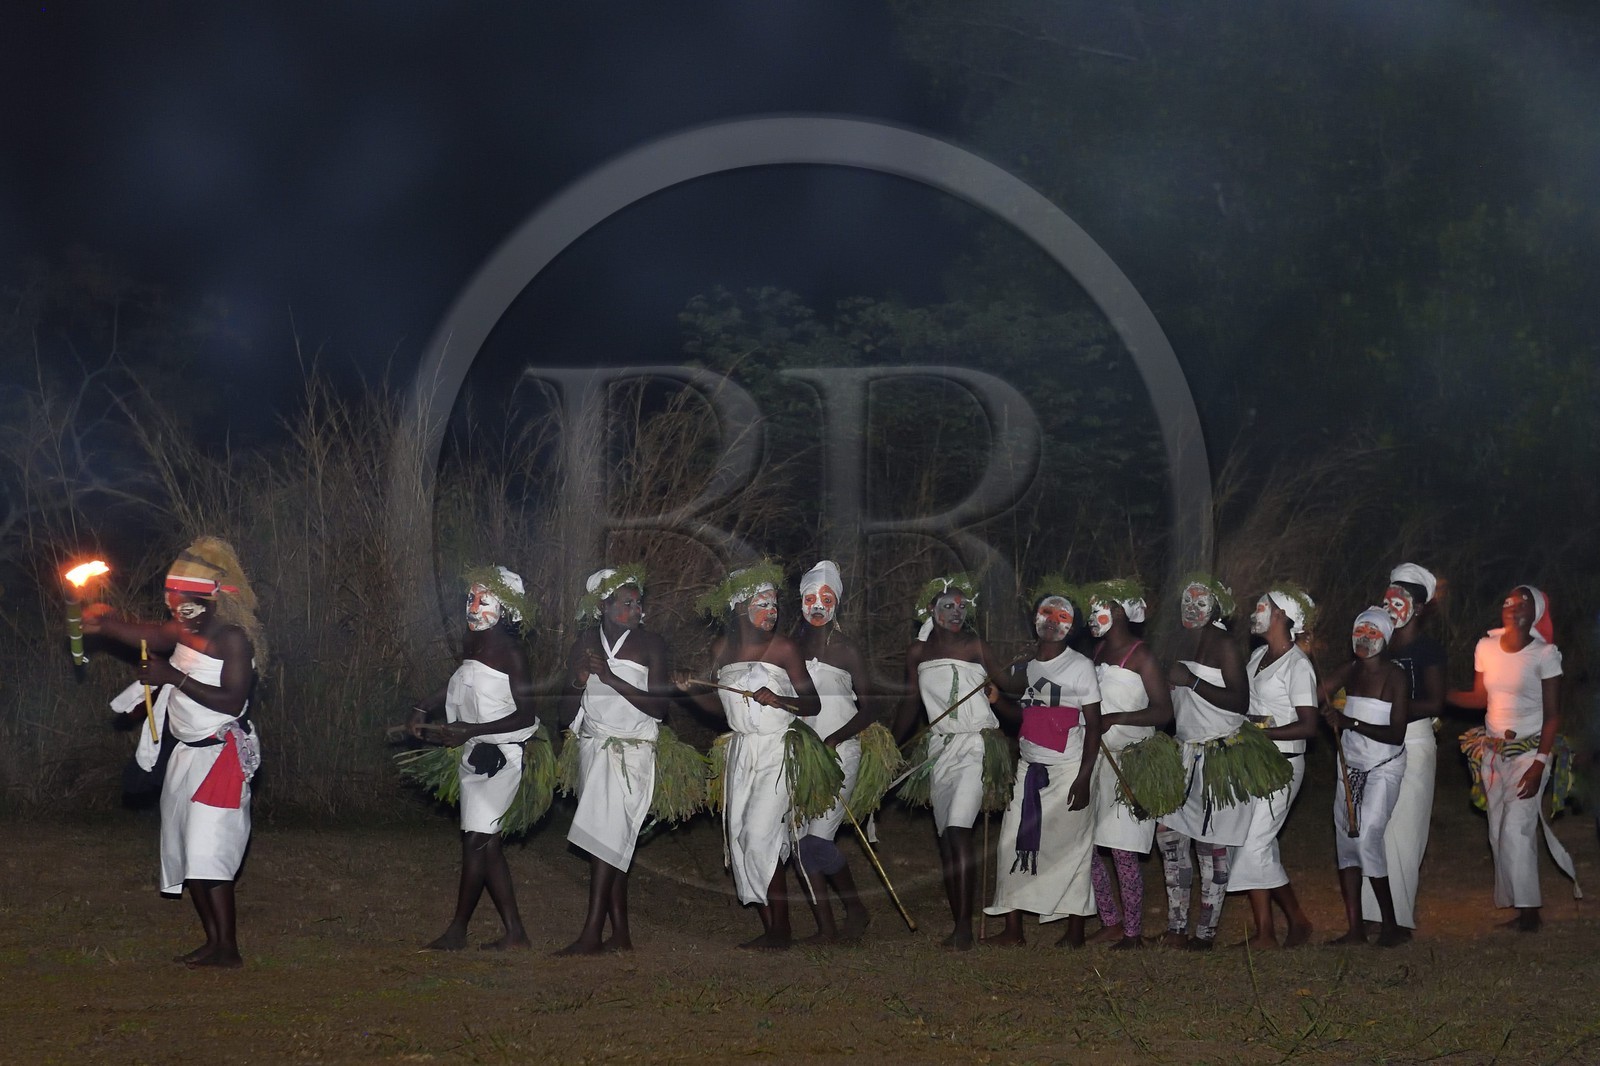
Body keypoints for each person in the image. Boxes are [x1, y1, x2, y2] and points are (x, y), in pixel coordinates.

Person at [83, 537, 267, 968]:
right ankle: (215, 943)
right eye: (171, 597)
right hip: (186, 757)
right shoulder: (186, 630)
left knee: (210, 855)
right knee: (187, 851)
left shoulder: (232, 639)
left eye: (183, 598)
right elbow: (146, 632)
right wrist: (106, 623)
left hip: (220, 758)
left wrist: (171, 675)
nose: (174, 606)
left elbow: (232, 700)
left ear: (210, 599)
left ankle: (229, 948)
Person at [682, 564, 821, 950]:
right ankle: (772, 926)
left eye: (774, 604)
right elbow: (718, 708)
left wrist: (779, 699)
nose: (771, 611)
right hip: (741, 751)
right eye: (762, 604)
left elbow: (813, 702)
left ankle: (782, 929)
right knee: (741, 837)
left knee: (760, 834)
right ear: (739, 608)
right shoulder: (721, 650)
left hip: (777, 748)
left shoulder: (784, 649)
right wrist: (690, 691)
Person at [407, 567, 540, 951]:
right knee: (487, 845)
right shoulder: (473, 645)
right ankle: (515, 932)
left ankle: (458, 929)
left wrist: (472, 730)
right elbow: (458, 682)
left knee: (476, 844)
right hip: (472, 754)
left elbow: (526, 715)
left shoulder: (512, 654)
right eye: (470, 597)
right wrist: (422, 707)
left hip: (503, 758)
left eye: (484, 600)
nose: (474, 606)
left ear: (508, 608)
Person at [893, 574, 1024, 950]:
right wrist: (890, 744)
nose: (955, 613)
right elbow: (909, 704)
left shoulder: (975, 645)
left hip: (974, 747)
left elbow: (1011, 685)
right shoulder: (917, 653)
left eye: (961, 607)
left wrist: (1002, 686)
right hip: (938, 750)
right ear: (930, 611)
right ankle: (958, 921)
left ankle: (964, 928)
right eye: (947, 606)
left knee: (958, 830)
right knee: (947, 840)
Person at [1449, 585, 1579, 932]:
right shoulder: (1486, 647)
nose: (1512, 606)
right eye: (1507, 601)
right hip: (1492, 751)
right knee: (1496, 831)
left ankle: (1530, 913)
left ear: (1535, 611)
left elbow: (1553, 715)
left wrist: (1540, 763)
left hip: (1531, 751)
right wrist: (1441, 697)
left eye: (1521, 602)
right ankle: (1515, 902)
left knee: (1516, 829)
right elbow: (1480, 698)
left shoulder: (1545, 654)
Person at [558, 564, 671, 955]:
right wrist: (579, 679)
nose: (636, 609)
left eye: (638, 602)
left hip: (632, 751)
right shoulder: (585, 643)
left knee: (608, 838)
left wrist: (610, 677)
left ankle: (591, 934)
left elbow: (659, 707)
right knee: (607, 841)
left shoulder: (651, 644)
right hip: (594, 747)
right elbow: (564, 712)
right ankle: (620, 936)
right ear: (603, 606)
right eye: (627, 603)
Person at [982, 583, 1101, 948]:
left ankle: (1076, 931)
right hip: (1030, 768)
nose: (1052, 622)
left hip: (1069, 769)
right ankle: (1013, 929)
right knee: (1011, 843)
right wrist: (997, 700)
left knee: (1072, 849)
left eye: (1062, 616)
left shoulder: (1081, 668)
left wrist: (1083, 779)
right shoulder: (1027, 666)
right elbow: (1022, 718)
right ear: (1034, 619)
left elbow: (1094, 726)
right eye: (1046, 613)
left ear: (1073, 626)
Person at [1155, 575, 1251, 950]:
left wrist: (1192, 682)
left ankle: (1205, 933)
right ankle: (1177, 927)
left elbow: (1240, 702)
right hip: (1185, 753)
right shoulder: (1181, 642)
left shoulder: (1224, 644)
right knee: (1168, 835)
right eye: (1186, 601)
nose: (1190, 608)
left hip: (1219, 757)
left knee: (1213, 845)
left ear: (1216, 609)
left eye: (1200, 602)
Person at [1084, 580, 1172, 949]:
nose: (1091, 617)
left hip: (1132, 763)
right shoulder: (1097, 652)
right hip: (1097, 761)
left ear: (1118, 612)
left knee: (1122, 848)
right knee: (1086, 846)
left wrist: (1116, 717)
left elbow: (1164, 711)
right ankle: (1110, 919)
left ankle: (1133, 932)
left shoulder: (1141, 656)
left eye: (1098, 609)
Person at [1359, 563, 1445, 932]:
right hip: (1374, 741)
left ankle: (1399, 917)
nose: (1393, 603)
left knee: (1405, 829)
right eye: (1390, 594)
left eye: (1403, 597)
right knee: (1371, 826)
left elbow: (1435, 703)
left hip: (1413, 740)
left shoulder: (1427, 649)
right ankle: (1372, 915)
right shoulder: (1376, 640)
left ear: (1419, 607)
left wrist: (1389, 711)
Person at [1232, 585, 1318, 949]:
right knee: (1256, 845)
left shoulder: (1298, 665)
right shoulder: (1258, 657)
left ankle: (1297, 919)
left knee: (1253, 846)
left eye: (1262, 606)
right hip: (1255, 761)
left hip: (1282, 764)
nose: (1256, 611)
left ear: (1281, 615)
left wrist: (1262, 734)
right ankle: (1266, 932)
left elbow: (1308, 725)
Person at [1318, 607, 1411, 946]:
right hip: (1350, 767)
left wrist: (1348, 722)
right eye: (1360, 631)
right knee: (1345, 842)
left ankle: (1390, 925)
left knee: (1368, 836)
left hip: (1383, 766)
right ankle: (1355, 929)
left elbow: (1396, 734)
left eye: (1373, 633)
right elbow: (1315, 695)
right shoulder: (1351, 670)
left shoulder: (1395, 677)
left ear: (1385, 638)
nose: (1365, 638)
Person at [793, 560, 874, 943]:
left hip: (839, 754)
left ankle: (855, 908)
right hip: (803, 758)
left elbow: (873, 706)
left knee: (816, 841)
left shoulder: (846, 649)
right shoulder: (790, 648)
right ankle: (826, 926)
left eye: (826, 598)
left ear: (836, 603)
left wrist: (836, 738)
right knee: (800, 843)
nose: (818, 606)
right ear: (801, 602)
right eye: (811, 598)